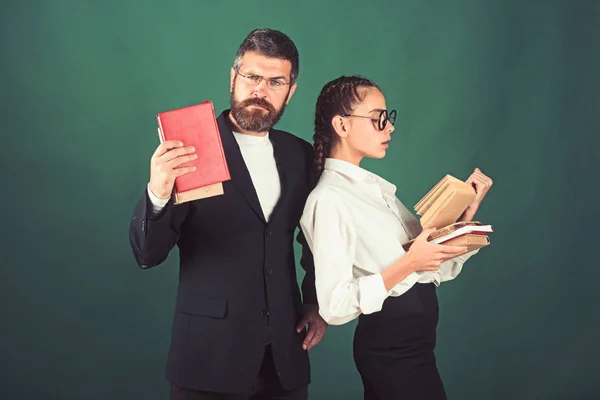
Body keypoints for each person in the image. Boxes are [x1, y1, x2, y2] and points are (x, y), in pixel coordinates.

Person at [129, 28, 327, 400]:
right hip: (207, 359)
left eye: (275, 81)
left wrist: (315, 302)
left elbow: (317, 238)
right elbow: (147, 254)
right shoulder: (190, 148)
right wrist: (158, 191)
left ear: (291, 90)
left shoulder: (300, 155)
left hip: (284, 361)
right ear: (233, 78)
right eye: (252, 77)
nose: (260, 90)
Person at [299, 75, 493, 400]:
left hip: (417, 349)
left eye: (389, 118)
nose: (389, 128)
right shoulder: (329, 199)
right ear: (342, 126)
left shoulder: (374, 189)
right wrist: (408, 264)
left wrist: (466, 213)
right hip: (391, 353)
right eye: (378, 119)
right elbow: (334, 305)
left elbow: (431, 269)